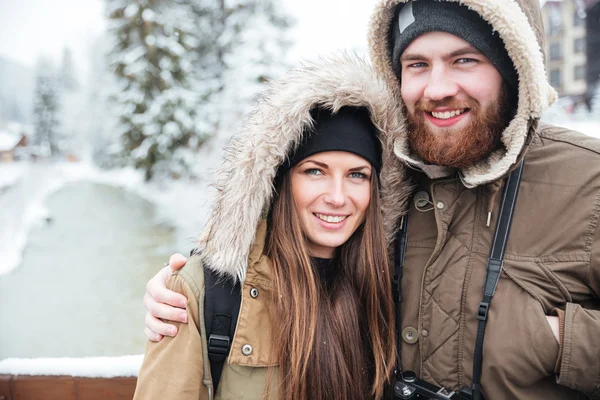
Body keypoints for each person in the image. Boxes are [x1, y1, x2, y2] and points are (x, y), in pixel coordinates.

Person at [145, 0, 600, 398]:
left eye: (464, 60)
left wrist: (556, 338)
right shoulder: (394, 184)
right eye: (417, 64)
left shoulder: (587, 180)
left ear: (514, 67)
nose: (437, 89)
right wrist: (191, 287)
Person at [135, 54, 410, 400]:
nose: (338, 197)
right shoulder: (208, 293)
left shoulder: (389, 287)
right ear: (281, 181)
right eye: (315, 171)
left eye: (357, 175)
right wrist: (184, 284)